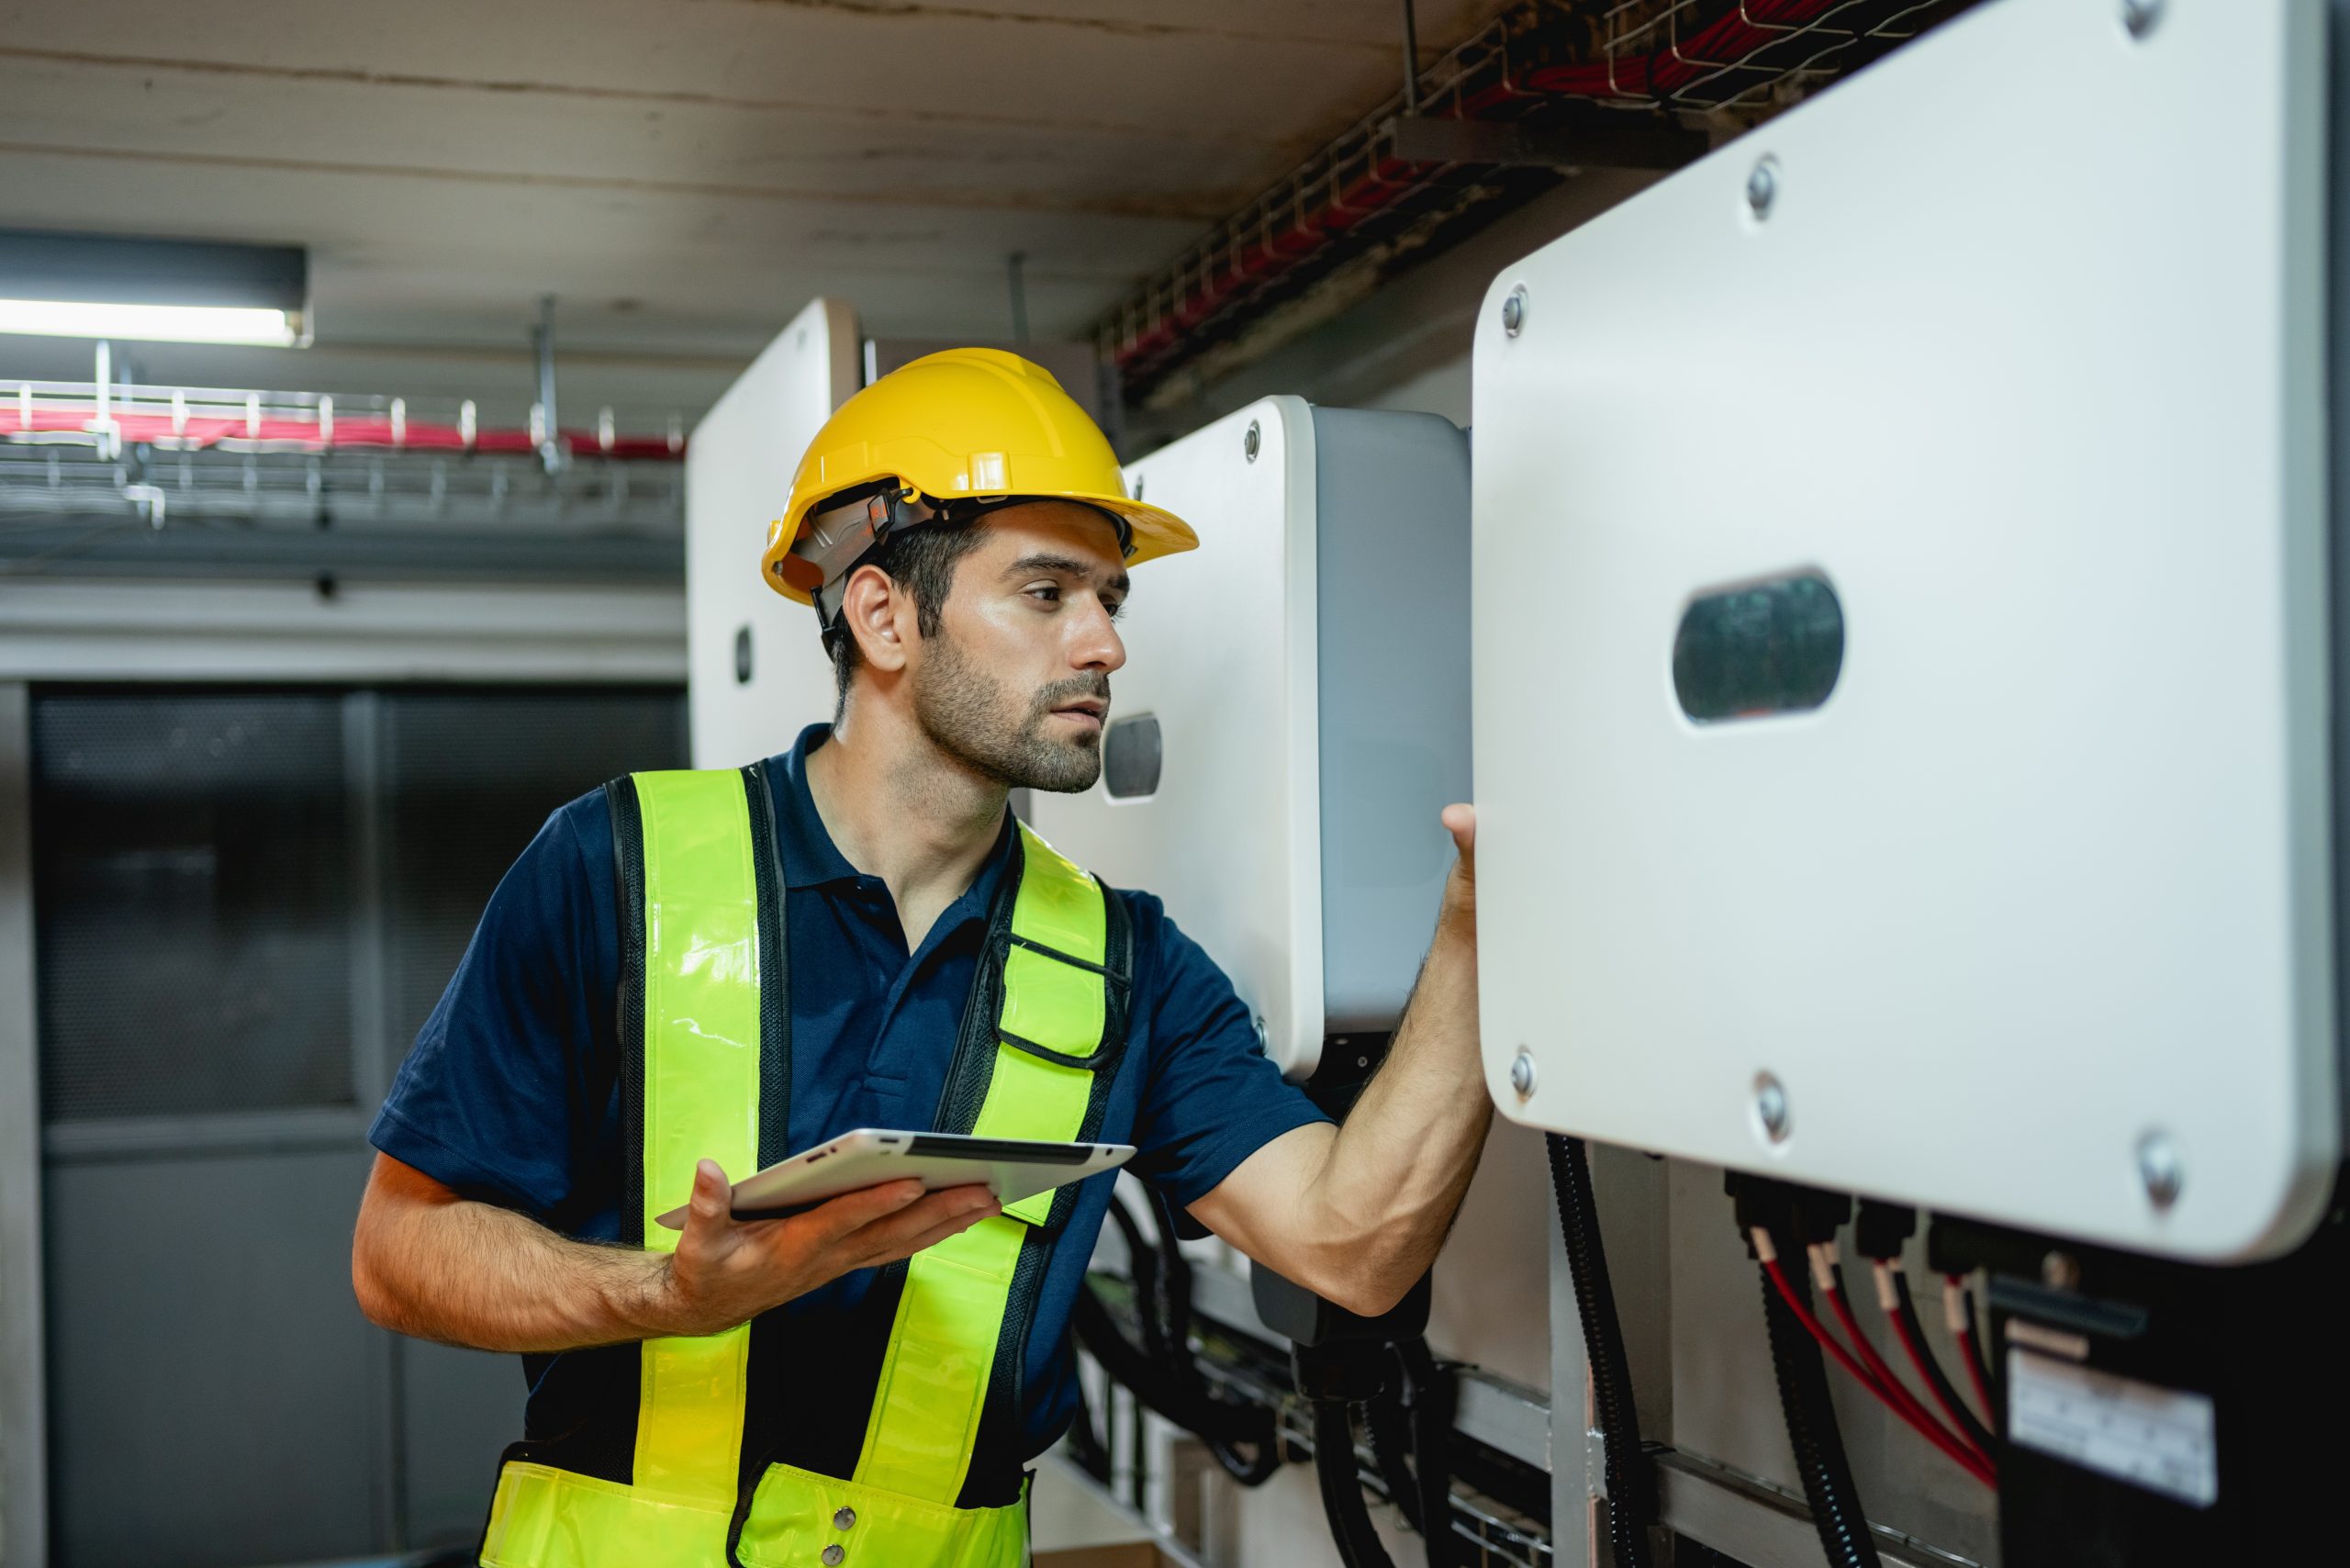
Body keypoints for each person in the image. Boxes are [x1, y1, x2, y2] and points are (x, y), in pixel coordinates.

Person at [350, 348, 1487, 1568]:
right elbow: (399, 1250)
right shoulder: (614, 866)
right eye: (1047, 594)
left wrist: (1479, 929)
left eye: (1111, 600)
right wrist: (664, 1297)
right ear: (885, 614)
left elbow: (1352, 1246)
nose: (1104, 644)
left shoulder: (1129, 965)